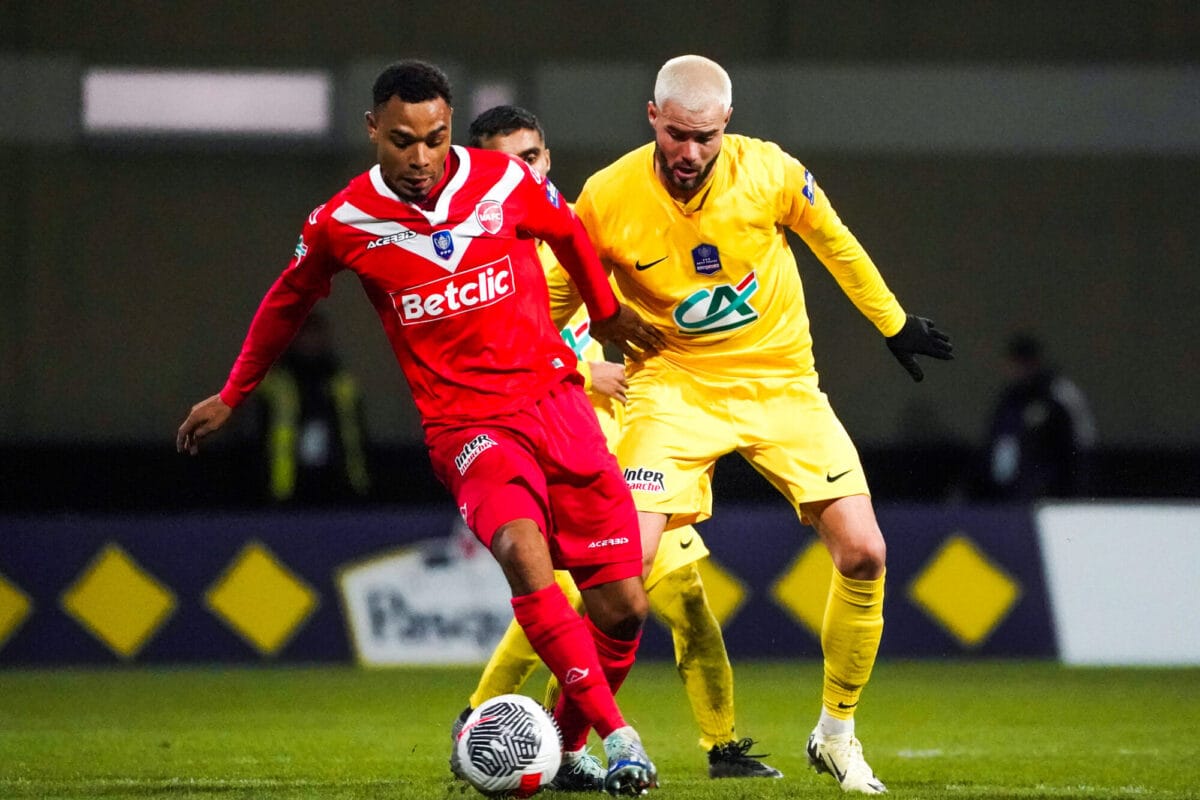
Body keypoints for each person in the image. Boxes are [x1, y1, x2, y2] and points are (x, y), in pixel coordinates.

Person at [175, 60, 665, 796]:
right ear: (373, 130)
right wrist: (234, 392)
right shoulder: (341, 222)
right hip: (468, 427)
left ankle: (563, 748)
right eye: (402, 140)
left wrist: (602, 309)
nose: (421, 158)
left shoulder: (504, 183)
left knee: (624, 607)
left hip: (557, 406)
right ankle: (624, 740)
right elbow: (286, 302)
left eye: (435, 138)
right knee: (523, 555)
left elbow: (567, 231)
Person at [573, 55, 954, 795]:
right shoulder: (606, 197)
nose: (690, 153)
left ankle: (836, 735)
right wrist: (572, 367)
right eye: (678, 135)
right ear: (652, 117)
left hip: (782, 387)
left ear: (728, 126)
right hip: (672, 391)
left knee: (865, 553)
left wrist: (893, 323)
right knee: (617, 586)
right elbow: (558, 298)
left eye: (706, 138)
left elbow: (835, 242)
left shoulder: (771, 172)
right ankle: (570, 741)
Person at [456, 104, 781, 787]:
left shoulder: (583, 224)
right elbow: (487, 353)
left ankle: (721, 745)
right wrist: (582, 369)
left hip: (619, 447)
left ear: (548, 157)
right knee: (557, 605)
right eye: (509, 160)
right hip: (544, 451)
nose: (527, 171)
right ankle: (482, 724)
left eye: (535, 156)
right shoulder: (480, 252)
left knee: (685, 596)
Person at [249, 310, 371, 505]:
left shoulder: (341, 381)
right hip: (285, 484)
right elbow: (259, 432)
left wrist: (358, 480)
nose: (311, 342)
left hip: (337, 481)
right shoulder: (277, 382)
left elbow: (355, 433)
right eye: (305, 335)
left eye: (316, 335)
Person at [980, 332, 1096, 500]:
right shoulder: (1009, 400)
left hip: (1054, 496)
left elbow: (1081, 445)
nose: (1016, 371)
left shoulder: (1059, 394)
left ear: (1034, 363)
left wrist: (1075, 494)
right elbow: (1000, 444)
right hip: (1013, 496)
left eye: (1022, 364)